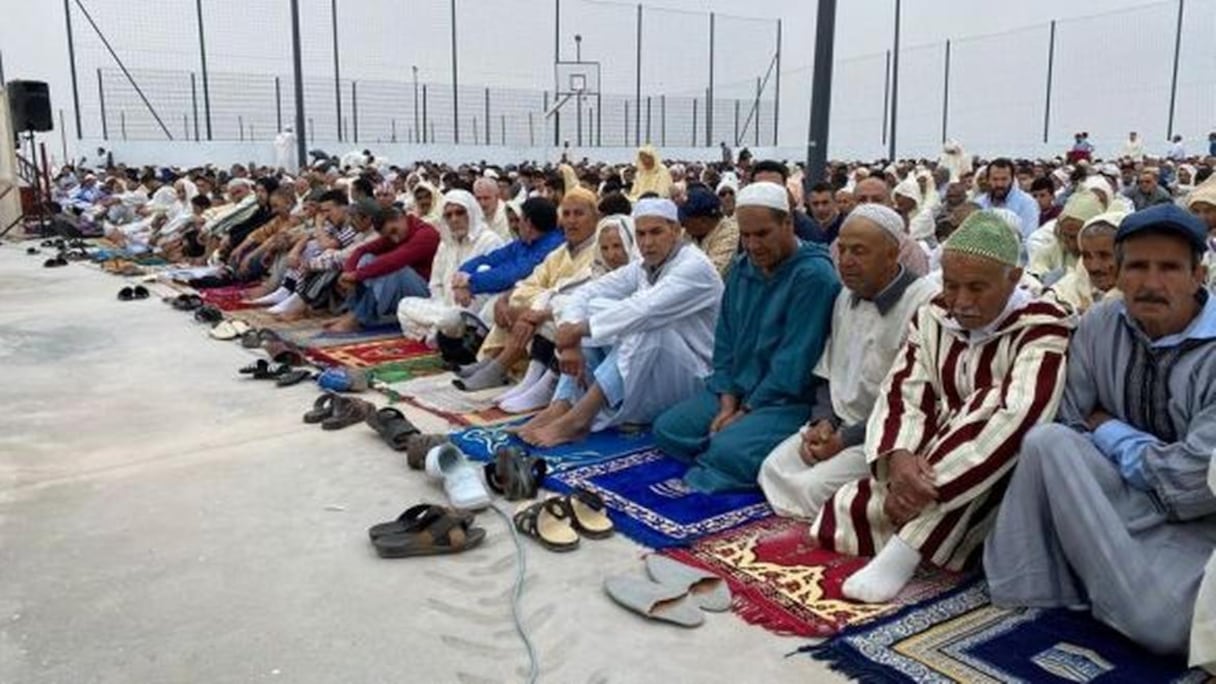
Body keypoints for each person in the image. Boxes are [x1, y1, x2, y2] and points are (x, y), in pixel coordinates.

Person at [984, 204, 1216, 660]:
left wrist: (1108, 427)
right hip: (1114, 499)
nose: (1151, 283)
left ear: (1198, 275)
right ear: (1119, 271)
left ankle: (1097, 580)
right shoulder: (1100, 324)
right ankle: (1060, 587)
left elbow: (1196, 484)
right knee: (1047, 444)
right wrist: (1146, 454)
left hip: (1200, 525)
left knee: (1167, 626)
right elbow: (1070, 420)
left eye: (1169, 267)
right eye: (1137, 266)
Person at [810, 210, 1073, 603]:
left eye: (977, 288)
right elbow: (904, 390)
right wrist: (899, 460)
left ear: (1013, 278)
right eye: (951, 285)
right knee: (842, 510)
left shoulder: (1042, 326)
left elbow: (1019, 418)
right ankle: (917, 518)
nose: (961, 302)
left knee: (988, 402)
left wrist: (924, 486)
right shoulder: (934, 314)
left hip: (999, 470)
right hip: (925, 459)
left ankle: (906, 549)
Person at [653, 182, 841, 493]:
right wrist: (728, 404)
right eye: (746, 235)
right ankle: (722, 446)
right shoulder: (743, 269)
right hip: (736, 390)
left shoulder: (814, 277)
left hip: (785, 401)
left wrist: (745, 412)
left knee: (728, 450)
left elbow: (792, 365)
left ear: (788, 224)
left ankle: (724, 449)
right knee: (667, 429)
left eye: (762, 234)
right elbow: (725, 343)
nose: (753, 245)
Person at [758, 205, 937, 519]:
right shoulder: (846, 296)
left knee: (811, 488)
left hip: (885, 438)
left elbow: (912, 401)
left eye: (859, 251)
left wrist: (844, 440)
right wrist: (823, 422)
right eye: (842, 249)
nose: (846, 261)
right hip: (838, 425)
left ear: (892, 254)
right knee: (772, 467)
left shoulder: (923, 303)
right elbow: (830, 372)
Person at [516, 199, 723, 446]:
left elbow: (644, 310)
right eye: (641, 234)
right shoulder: (644, 267)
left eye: (656, 232)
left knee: (644, 325)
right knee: (594, 309)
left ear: (676, 231)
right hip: (658, 370)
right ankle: (562, 404)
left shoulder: (694, 266)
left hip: (696, 374)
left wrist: (577, 330)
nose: (647, 242)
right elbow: (585, 293)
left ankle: (579, 420)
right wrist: (570, 337)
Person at [454, 187, 600, 391]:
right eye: (566, 214)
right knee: (510, 303)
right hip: (543, 305)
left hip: (570, 314)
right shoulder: (561, 250)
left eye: (579, 214)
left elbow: (573, 295)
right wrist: (505, 298)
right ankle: (493, 363)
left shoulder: (599, 252)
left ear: (595, 218)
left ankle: (502, 369)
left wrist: (530, 308)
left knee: (529, 316)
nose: (571, 220)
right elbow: (531, 280)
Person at [395, 190, 507, 342]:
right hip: (442, 307)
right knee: (404, 305)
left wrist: (454, 310)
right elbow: (435, 284)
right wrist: (442, 304)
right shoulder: (445, 244)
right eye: (448, 215)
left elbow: (491, 288)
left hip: (473, 312)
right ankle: (440, 335)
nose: (454, 219)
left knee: (452, 318)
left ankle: (437, 335)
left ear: (471, 212)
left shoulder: (489, 241)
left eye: (460, 213)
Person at [322, 206, 441, 333]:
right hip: (406, 288)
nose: (395, 239)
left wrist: (357, 275)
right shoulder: (397, 232)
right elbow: (361, 250)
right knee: (368, 258)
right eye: (389, 235)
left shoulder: (425, 234)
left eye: (394, 231)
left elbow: (394, 260)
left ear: (401, 218)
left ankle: (358, 318)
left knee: (394, 270)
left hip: (429, 292)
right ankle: (353, 311)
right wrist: (348, 272)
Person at [1045, 211, 1125, 314]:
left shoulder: (1141, 298)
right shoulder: (1068, 288)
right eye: (1086, 256)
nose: (1094, 267)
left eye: (1105, 255)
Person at [1027, 189, 1104, 284]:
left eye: (1075, 237)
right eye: (1065, 236)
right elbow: (1036, 270)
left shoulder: (1106, 257)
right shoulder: (1055, 247)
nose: (1070, 244)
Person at [678, 186, 739, 277]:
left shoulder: (730, 234)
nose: (682, 225)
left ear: (703, 221)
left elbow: (711, 274)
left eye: (685, 221)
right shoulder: (689, 232)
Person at [751, 160, 816, 242]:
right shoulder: (749, 225)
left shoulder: (805, 228)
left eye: (775, 188)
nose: (769, 193)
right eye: (762, 188)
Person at [976, 158, 1039, 240]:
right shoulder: (979, 203)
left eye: (1004, 179)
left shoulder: (1027, 203)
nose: (999, 184)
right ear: (988, 180)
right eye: (995, 179)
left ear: (1012, 179)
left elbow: (1028, 239)